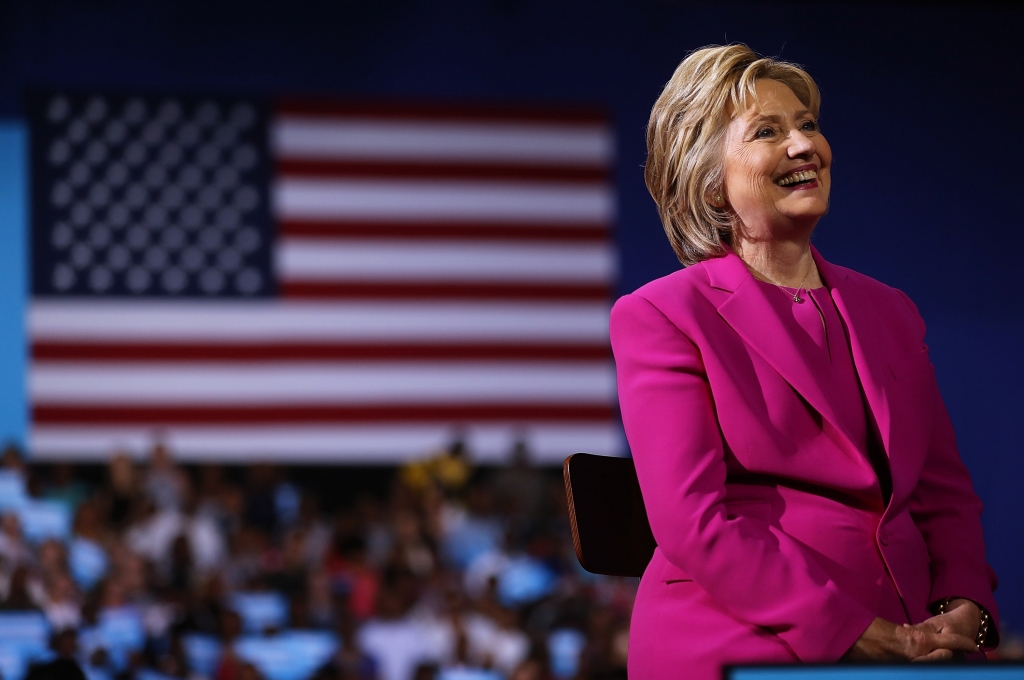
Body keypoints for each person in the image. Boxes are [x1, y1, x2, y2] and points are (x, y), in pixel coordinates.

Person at [611, 43, 999, 679]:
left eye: (809, 125)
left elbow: (944, 495)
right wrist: (850, 631)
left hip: (909, 646)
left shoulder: (891, 311)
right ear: (709, 178)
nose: (803, 145)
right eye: (768, 131)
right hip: (743, 643)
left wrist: (967, 609)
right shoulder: (663, 314)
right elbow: (693, 520)